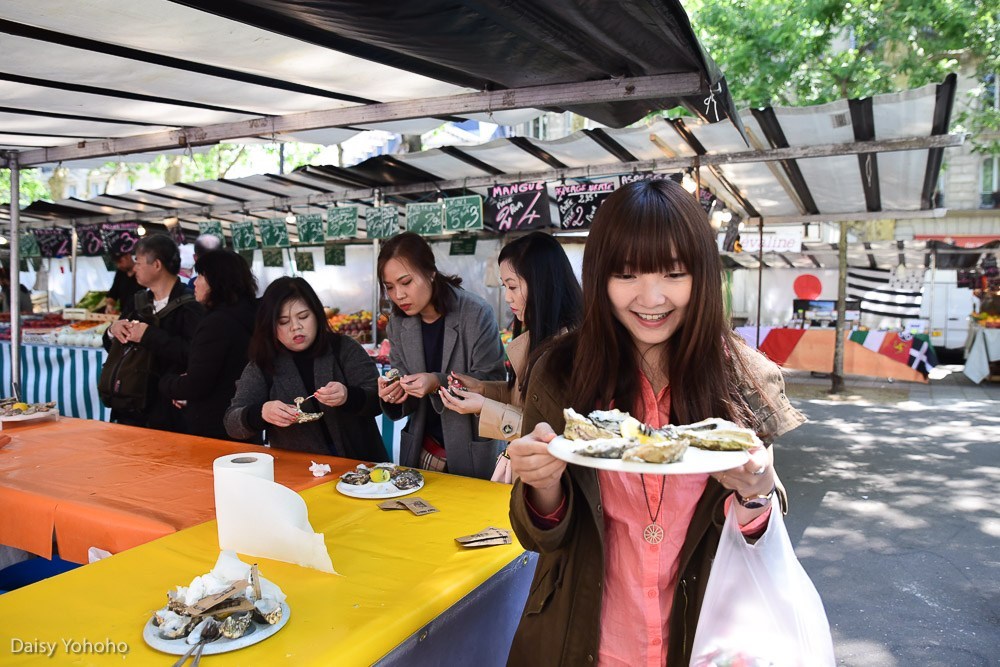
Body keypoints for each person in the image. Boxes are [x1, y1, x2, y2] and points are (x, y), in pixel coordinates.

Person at [505, 179, 806, 666]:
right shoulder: (559, 373)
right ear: (599, 277)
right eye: (626, 275)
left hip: (706, 642)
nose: (651, 297)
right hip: (583, 641)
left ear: (701, 275)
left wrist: (757, 493)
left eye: (672, 273)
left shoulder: (743, 379)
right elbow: (538, 537)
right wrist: (542, 489)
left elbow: (756, 538)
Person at [439, 231, 583, 482]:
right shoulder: (539, 337)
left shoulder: (568, 349)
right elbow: (526, 398)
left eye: (513, 286)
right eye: (505, 286)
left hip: (552, 479)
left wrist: (484, 407)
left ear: (542, 284)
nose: (507, 297)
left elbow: (551, 430)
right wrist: (483, 389)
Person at [376, 232, 506, 479]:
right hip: (424, 448)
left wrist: (437, 381)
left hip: (473, 445)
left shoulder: (475, 313)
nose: (398, 295)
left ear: (430, 272)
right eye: (389, 287)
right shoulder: (397, 324)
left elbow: (493, 382)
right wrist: (396, 392)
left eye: (406, 282)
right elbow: (402, 376)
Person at [224, 277, 387, 459]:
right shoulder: (263, 364)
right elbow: (232, 423)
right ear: (270, 325)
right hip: (299, 472)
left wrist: (349, 396)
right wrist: (262, 413)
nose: (296, 327)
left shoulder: (343, 348)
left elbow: (379, 401)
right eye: (284, 321)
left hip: (360, 466)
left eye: (303, 317)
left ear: (317, 314)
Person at [103, 234, 204, 431]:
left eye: (138, 262)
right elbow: (113, 348)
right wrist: (112, 331)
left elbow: (195, 354)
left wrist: (149, 336)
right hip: (131, 405)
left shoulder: (190, 306)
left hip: (169, 410)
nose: (135, 268)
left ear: (156, 265)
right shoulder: (137, 301)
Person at [159, 250, 258, 440]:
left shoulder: (217, 323)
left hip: (216, 426)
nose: (195, 282)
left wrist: (166, 383)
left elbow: (197, 383)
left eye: (201, 276)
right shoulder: (250, 314)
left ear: (217, 280)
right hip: (244, 419)